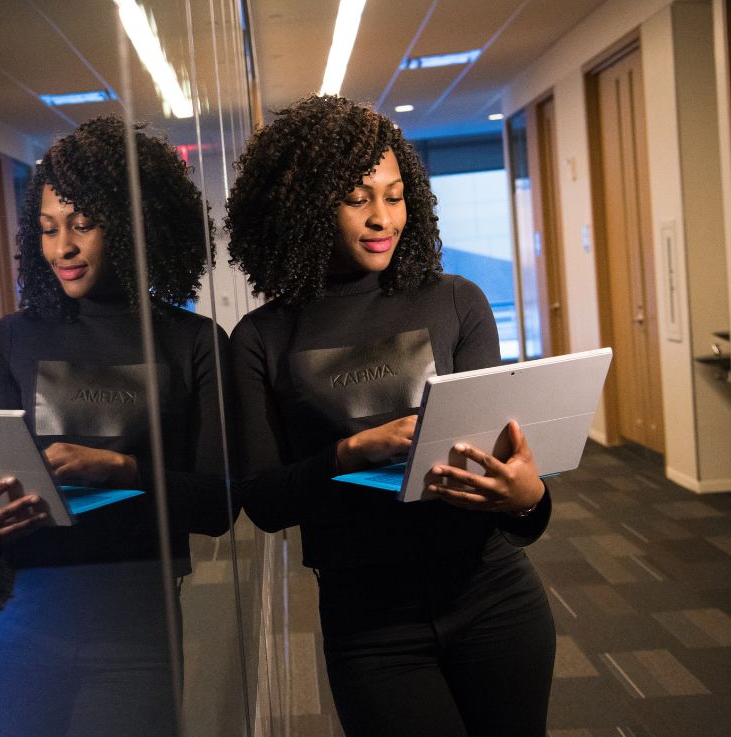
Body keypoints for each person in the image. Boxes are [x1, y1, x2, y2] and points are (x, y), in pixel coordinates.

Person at [225, 95, 555, 737]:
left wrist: (527, 497)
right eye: (358, 198)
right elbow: (263, 501)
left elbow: (511, 478)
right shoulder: (263, 337)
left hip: (494, 597)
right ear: (305, 206)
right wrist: (351, 453)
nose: (384, 218)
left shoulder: (457, 301)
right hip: (369, 623)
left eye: (396, 195)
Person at [0, 116, 232, 737]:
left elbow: (219, 505)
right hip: (16, 621)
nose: (62, 248)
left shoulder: (193, 343)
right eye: (48, 229)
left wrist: (122, 470)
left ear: (133, 227)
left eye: (82, 224)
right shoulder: (9, 341)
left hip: (136, 627)